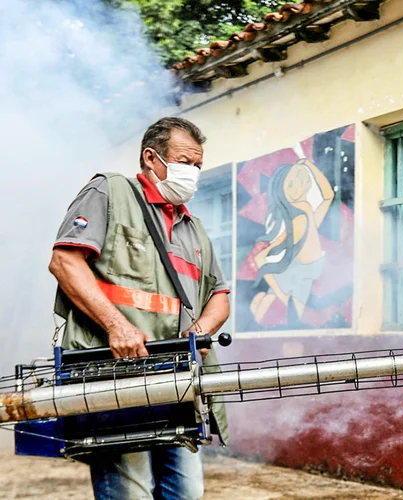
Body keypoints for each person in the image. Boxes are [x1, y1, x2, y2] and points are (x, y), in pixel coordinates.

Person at [49, 117, 231, 499]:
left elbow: (220, 295)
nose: (192, 174)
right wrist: (117, 326)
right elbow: (66, 262)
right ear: (151, 158)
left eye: (197, 166)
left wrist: (200, 330)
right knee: (130, 492)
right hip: (114, 374)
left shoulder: (192, 227)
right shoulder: (110, 192)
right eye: (184, 162)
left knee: (186, 491)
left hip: (176, 380)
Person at [250, 157, 334, 326]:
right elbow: (260, 258)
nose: (299, 184)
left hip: (301, 273)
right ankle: (265, 299)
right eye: (291, 184)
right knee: (283, 320)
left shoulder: (307, 213)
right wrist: (281, 294)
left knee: (272, 315)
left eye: (302, 177)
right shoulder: (299, 219)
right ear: (283, 192)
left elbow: (328, 195)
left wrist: (309, 165)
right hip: (298, 276)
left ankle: (263, 299)